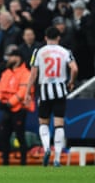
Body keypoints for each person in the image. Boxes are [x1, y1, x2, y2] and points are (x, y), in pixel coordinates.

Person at [26, 26, 78, 167]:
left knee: (43, 122)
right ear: (59, 38)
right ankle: (57, 157)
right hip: (60, 90)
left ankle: (47, 148)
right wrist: (71, 81)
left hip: (44, 91)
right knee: (59, 124)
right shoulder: (65, 52)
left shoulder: (38, 51)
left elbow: (33, 74)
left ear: (45, 38)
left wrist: (27, 92)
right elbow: (74, 68)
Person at [0, 49, 35, 165]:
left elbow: (23, 91)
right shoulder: (6, 73)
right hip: (7, 109)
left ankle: (23, 162)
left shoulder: (25, 73)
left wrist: (10, 103)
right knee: (4, 136)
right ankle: (5, 162)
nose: (9, 59)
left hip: (19, 109)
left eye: (11, 56)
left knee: (20, 135)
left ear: (18, 58)